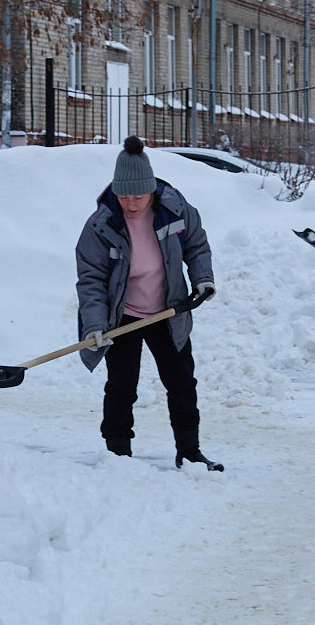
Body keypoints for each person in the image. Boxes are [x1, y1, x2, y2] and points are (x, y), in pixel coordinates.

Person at [75, 136, 219, 468]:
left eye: (138, 196)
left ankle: (190, 451)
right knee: (122, 385)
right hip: (123, 314)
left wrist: (203, 279)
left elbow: (197, 245)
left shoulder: (175, 209)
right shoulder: (101, 225)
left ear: (151, 189)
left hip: (169, 310)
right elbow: (91, 280)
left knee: (182, 382)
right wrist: (96, 325)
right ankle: (117, 452)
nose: (131, 203)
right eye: (123, 196)